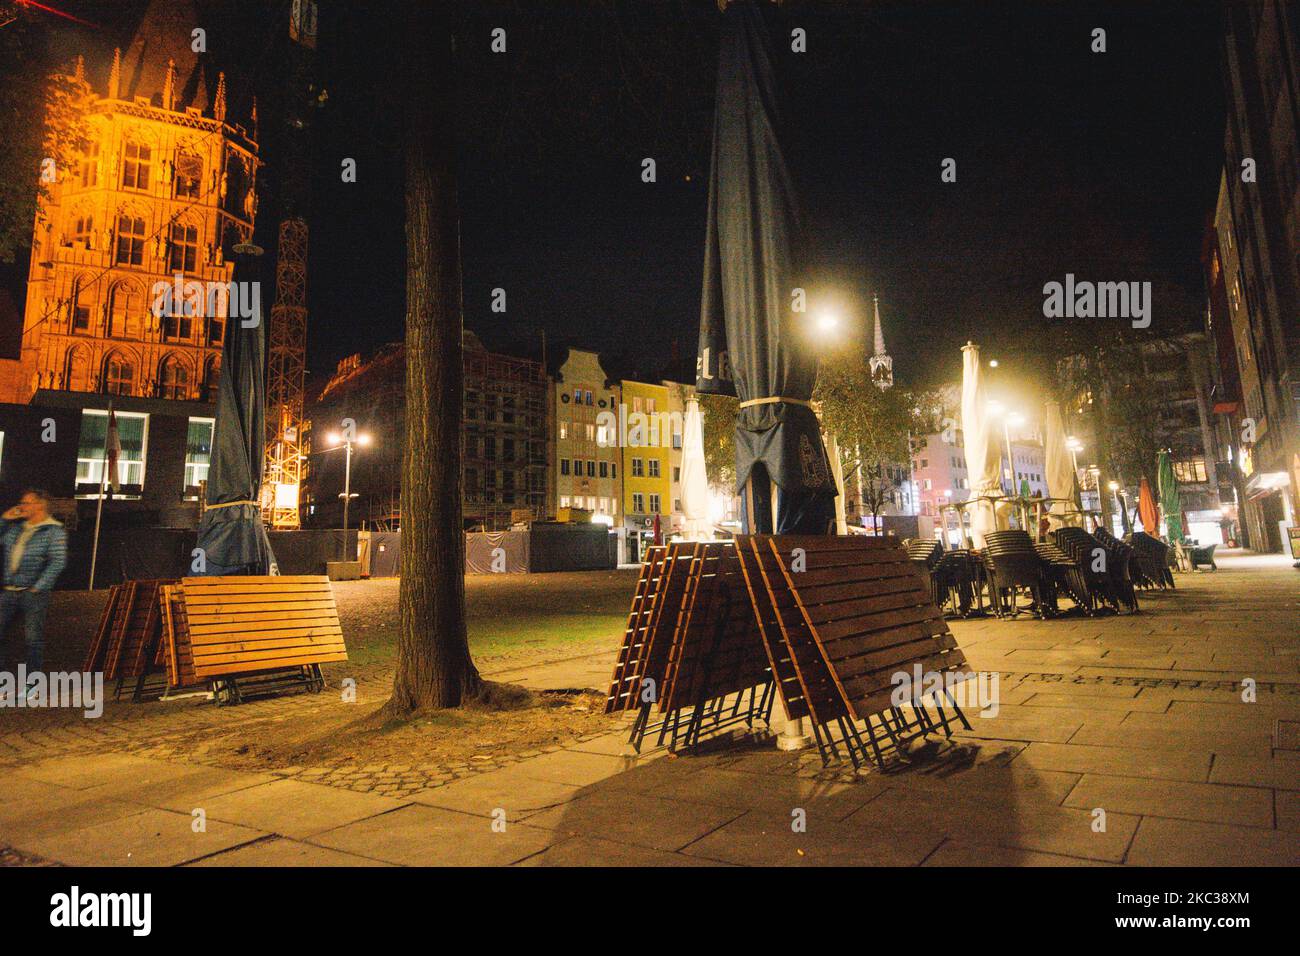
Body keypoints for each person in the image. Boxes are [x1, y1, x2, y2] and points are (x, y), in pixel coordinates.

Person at [1, 489, 67, 687]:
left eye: (27, 502)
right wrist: (4, 518)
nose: (22, 506)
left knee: (32, 640)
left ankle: (32, 683)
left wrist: (38, 587)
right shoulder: (17, 529)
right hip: (10, 589)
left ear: (40, 505)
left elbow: (58, 561)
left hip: (32, 593)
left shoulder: (53, 531)